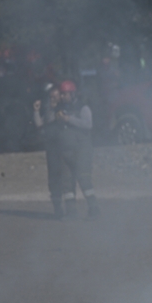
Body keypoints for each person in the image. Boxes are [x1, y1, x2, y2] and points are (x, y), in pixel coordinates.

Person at [54, 81, 99, 220]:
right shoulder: (59, 109)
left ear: (73, 94)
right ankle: (71, 212)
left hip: (81, 151)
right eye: (61, 94)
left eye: (65, 94)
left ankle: (94, 209)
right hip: (65, 151)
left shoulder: (83, 107)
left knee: (84, 180)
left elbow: (88, 124)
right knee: (67, 184)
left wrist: (69, 119)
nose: (62, 96)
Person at [32, 85, 66, 217]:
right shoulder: (48, 110)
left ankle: (71, 208)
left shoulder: (64, 109)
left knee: (67, 177)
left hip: (64, 147)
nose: (53, 99)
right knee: (54, 178)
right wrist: (36, 111)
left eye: (55, 96)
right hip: (52, 148)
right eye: (51, 97)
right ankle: (58, 208)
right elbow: (40, 125)